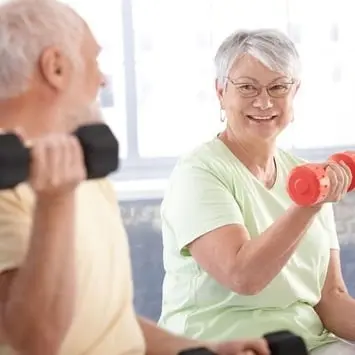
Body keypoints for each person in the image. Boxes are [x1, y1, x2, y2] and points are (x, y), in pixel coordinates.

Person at [0, 1, 271, 354]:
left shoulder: (88, 176)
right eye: (94, 60)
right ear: (56, 67)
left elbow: (114, 327)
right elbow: (35, 342)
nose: (102, 79)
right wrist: (55, 203)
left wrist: (206, 350)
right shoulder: (16, 189)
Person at [158, 28, 355, 355]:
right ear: (221, 92)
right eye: (247, 87)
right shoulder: (198, 172)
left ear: (295, 93)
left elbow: (331, 299)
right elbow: (243, 277)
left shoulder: (308, 176)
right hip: (220, 345)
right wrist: (308, 205)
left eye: (278, 87)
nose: (264, 101)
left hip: (309, 345)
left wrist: (314, 200)